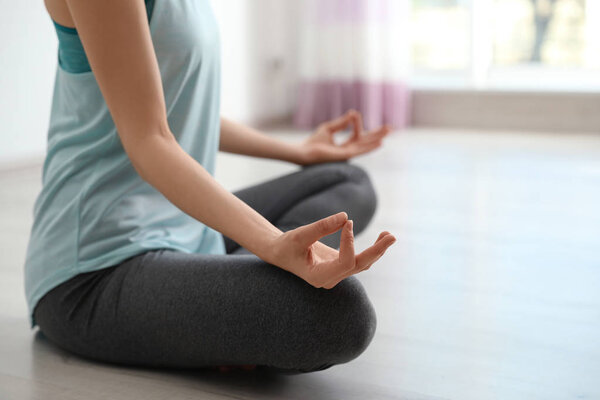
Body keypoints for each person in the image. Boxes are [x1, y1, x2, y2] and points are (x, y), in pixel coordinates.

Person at [26, 0, 397, 374]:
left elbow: (175, 108)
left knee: (346, 181)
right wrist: (269, 243)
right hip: (95, 271)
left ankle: (225, 299)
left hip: (189, 229)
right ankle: (230, 299)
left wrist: (298, 151)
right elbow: (150, 138)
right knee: (342, 313)